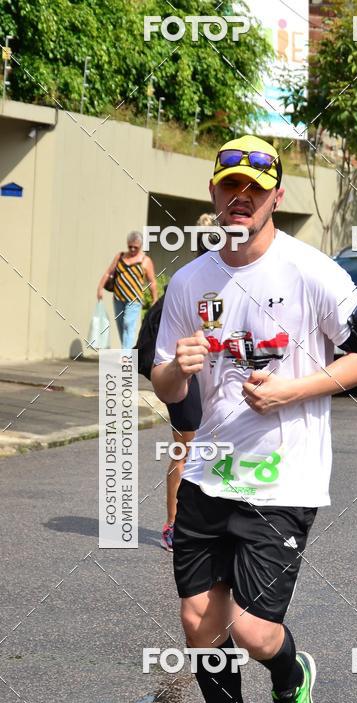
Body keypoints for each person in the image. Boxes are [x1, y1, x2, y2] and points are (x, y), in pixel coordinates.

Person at [151, 134, 357, 703]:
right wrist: (178, 370)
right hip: (207, 475)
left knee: (254, 630)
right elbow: (170, 388)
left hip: (283, 480)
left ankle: (291, 677)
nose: (240, 199)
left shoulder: (312, 273)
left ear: (276, 200)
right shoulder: (190, 281)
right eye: (230, 187)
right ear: (214, 194)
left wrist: (292, 390)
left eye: (254, 191)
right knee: (199, 624)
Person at [136, 214, 217, 551]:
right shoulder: (194, 281)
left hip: (204, 375)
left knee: (196, 449)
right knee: (186, 449)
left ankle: (196, 524)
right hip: (181, 373)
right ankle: (173, 525)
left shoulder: (210, 279)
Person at [97, 231, 158, 349]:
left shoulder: (145, 261)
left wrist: (155, 299)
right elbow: (108, 273)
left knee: (128, 324)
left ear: (140, 246)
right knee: (121, 326)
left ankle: (127, 357)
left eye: (136, 247)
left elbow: (152, 282)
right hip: (118, 298)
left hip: (134, 300)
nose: (133, 249)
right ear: (127, 244)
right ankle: (127, 351)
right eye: (130, 246)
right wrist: (100, 288)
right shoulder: (120, 257)